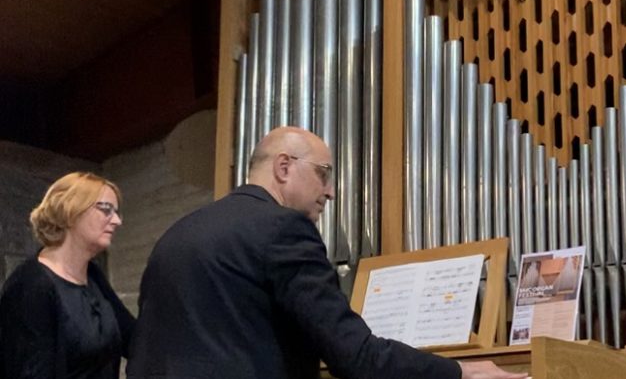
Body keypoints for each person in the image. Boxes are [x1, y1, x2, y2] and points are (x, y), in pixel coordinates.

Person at [127, 126, 527, 379]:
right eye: (324, 173)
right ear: (284, 167)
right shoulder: (283, 229)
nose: (331, 191)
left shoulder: (176, 235)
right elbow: (355, 357)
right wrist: (462, 371)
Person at [0, 172, 135, 378]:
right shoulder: (30, 285)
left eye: (116, 212)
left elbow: (135, 340)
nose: (116, 221)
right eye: (106, 209)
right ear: (71, 210)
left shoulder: (92, 275)